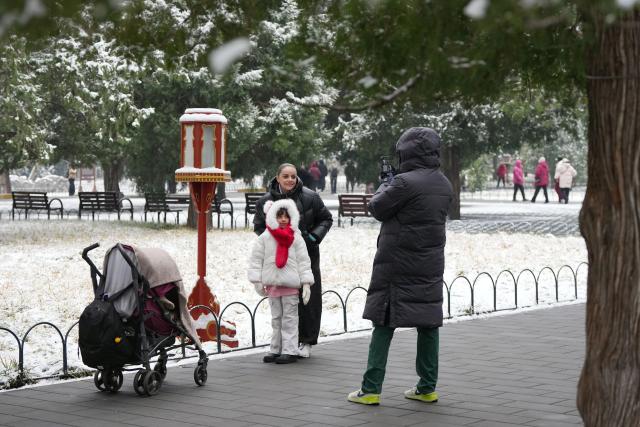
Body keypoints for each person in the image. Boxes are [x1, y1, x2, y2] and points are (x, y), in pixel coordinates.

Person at [347, 127, 453, 406]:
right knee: (428, 323)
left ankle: (370, 389)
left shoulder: (404, 183)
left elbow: (378, 208)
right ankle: (427, 387)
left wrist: (386, 182)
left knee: (383, 323)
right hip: (429, 263)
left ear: (406, 152)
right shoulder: (443, 182)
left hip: (397, 263)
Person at [254, 163, 333, 358]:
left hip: (305, 255)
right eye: (286, 176)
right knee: (281, 306)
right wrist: (271, 241)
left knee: (309, 298)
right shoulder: (266, 200)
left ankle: (306, 341)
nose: (290, 180)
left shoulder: (310, 197)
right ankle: (281, 346)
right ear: (277, 177)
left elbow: (326, 218)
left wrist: (313, 238)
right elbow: (258, 226)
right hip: (278, 260)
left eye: (293, 176)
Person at [248, 199, 314, 364]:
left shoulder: (296, 238)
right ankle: (275, 348)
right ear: (272, 217)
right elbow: (256, 259)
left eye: (286, 216)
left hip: (290, 286)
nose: (283, 219)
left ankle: (290, 350)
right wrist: (256, 280)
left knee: (290, 319)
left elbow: (304, 261)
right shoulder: (265, 237)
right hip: (273, 286)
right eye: (279, 216)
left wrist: (306, 283)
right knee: (276, 318)